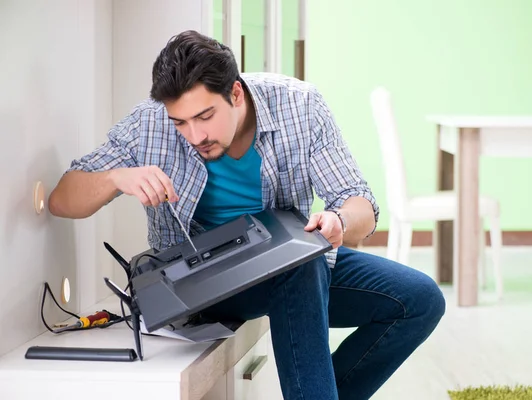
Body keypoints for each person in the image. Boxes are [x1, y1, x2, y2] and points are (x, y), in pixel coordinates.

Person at [48, 30, 445, 400]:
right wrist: (118, 177)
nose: (194, 135)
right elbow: (62, 200)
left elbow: (359, 203)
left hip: (292, 267)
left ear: (236, 93)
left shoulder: (299, 106)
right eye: (180, 123)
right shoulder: (148, 123)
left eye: (205, 117)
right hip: (201, 283)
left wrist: (339, 221)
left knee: (420, 300)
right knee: (298, 264)